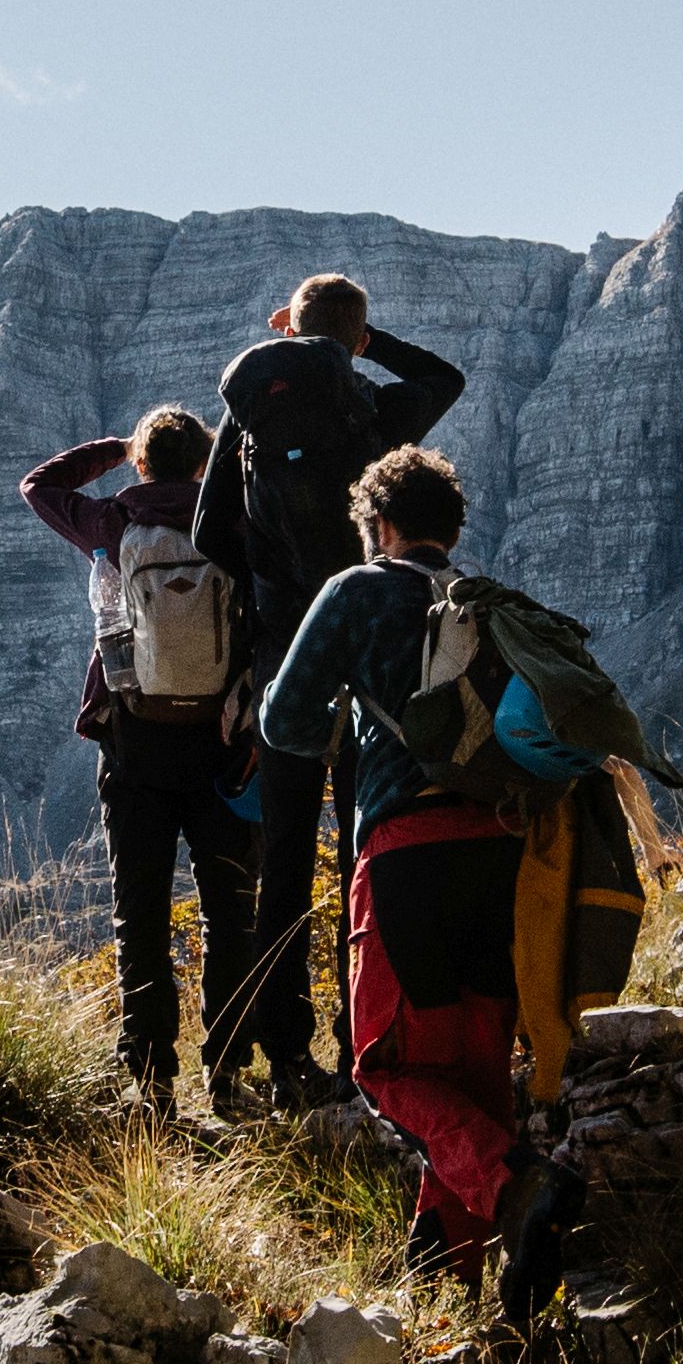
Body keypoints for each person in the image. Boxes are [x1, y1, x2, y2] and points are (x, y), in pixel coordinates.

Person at [251, 443, 531, 1263]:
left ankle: (517, 1186)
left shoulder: (356, 592)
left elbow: (284, 721)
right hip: (499, 848)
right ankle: (456, 1265)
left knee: (383, 1066)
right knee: (476, 1066)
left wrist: (348, 729)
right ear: (451, 527)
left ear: (380, 526)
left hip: (404, 845)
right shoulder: (493, 602)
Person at [195, 272, 465, 1112]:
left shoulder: (250, 410)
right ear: (352, 336)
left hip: (286, 661)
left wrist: (277, 596)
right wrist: (363, 347)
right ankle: (364, 1050)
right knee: (360, 858)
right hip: (370, 673)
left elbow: (210, 532)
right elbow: (446, 378)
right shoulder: (371, 411)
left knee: (281, 865)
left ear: (289, 331)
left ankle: (283, 1059)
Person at [22, 406, 256, 1115]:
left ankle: (152, 1081)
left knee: (141, 915)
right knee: (230, 913)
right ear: (203, 465)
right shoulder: (238, 522)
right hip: (224, 749)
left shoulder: (114, 523)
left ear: (146, 465)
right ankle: (228, 1072)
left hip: (135, 746)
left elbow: (39, 484)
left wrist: (115, 451)